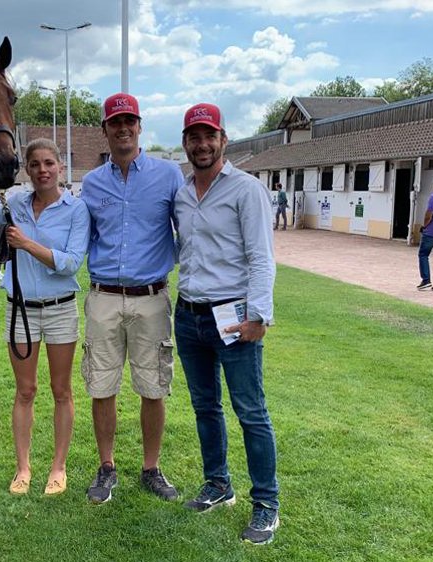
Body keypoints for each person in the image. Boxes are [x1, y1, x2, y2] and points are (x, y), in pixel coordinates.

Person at [173, 103, 280, 545]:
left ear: (223, 139)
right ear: (185, 143)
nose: (202, 144)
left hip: (234, 318)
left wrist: (259, 315)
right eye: (194, 137)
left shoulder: (246, 189)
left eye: (209, 136)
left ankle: (266, 503)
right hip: (189, 316)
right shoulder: (181, 194)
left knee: (251, 412)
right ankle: (218, 484)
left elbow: (262, 257)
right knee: (205, 407)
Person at [0, 138, 90, 496]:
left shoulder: (76, 210)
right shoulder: (16, 203)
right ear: (26, 169)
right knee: (25, 391)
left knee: (61, 390)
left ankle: (58, 467)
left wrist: (26, 244)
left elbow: (70, 263)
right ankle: (23, 468)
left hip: (60, 309)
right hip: (21, 310)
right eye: (35, 164)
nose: (42, 170)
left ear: (61, 167)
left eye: (49, 163)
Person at [79, 93, 184, 504]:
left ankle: (151, 468)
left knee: (152, 385)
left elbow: (187, 229)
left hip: (151, 298)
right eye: (115, 122)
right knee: (101, 385)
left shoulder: (168, 175)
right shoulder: (92, 183)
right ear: (105, 130)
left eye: (129, 121)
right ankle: (106, 467)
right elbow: (81, 237)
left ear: (140, 126)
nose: (123, 128)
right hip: (104, 297)